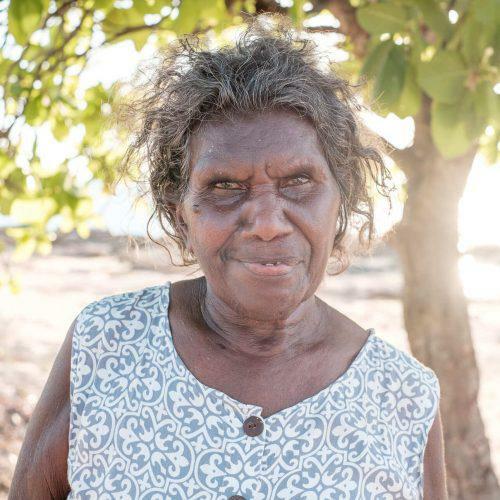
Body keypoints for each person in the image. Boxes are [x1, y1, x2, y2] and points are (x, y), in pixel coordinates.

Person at [9, 16, 447, 500]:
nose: (267, 223)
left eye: (299, 182)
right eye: (224, 187)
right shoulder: (107, 344)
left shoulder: (404, 398)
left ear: (340, 202)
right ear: (180, 217)